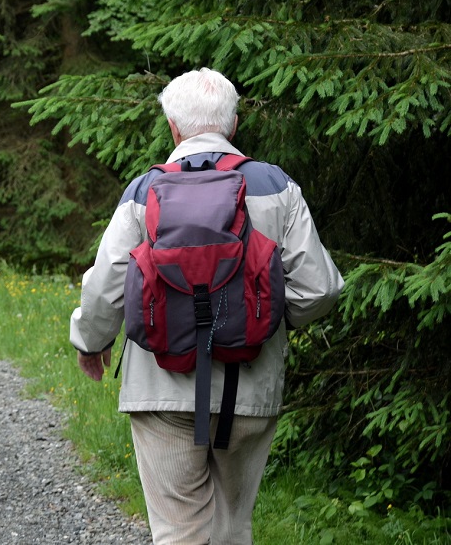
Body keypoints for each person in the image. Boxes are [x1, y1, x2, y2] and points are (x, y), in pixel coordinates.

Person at [71, 68, 344, 544]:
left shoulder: (144, 191)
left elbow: (104, 288)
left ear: (173, 128)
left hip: (162, 387)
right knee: (232, 527)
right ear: (233, 124)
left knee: (179, 531)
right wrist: (268, 322)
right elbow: (319, 288)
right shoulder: (277, 187)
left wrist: (90, 342)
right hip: (250, 385)